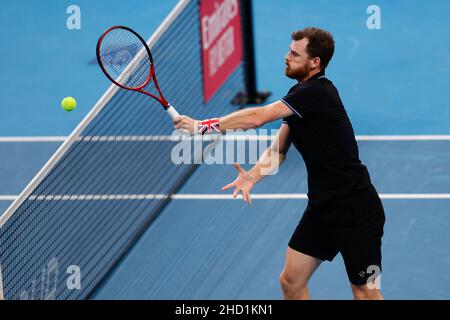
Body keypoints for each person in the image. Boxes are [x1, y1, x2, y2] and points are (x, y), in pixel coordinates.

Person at [174, 27, 385, 300]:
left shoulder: (317, 93)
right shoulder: (299, 93)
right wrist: (252, 176)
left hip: (356, 209)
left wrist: (202, 127)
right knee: (291, 281)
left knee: (365, 292)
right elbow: (278, 150)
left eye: (295, 54)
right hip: (322, 207)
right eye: (289, 51)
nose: (286, 57)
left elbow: (256, 118)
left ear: (314, 63)